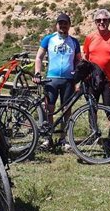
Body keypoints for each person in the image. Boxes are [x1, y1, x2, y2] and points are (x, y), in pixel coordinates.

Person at [33, 13, 81, 146]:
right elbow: (39, 57)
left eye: (65, 23)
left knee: (66, 109)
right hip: (51, 79)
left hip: (68, 80)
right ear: (56, 25)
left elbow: (78, 61)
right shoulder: (48, 39)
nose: (63, 26)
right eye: (60, 23)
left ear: (69, 25)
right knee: (49, 109)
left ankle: (63, 138)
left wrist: (77, 79)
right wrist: (37, 73)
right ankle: (48, 138)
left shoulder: (74, 41)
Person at [83, 8, 110, 108]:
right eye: (98, 20)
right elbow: (85, 57)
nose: (101, 22)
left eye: (104, 20)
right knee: (92, 109)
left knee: (109, 110)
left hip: (108, 80)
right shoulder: (89, 37)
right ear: (95, 22)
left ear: (109, 21)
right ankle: (93, 125)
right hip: (93, 79)